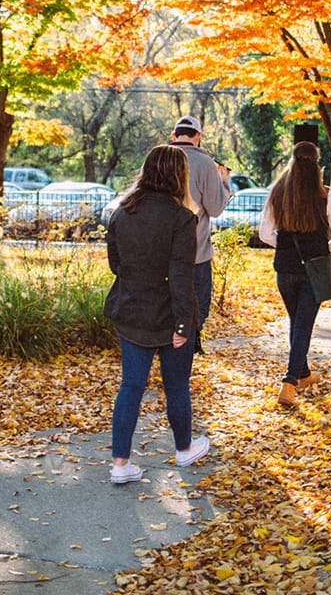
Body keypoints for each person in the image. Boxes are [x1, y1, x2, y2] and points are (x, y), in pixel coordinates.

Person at [104, 144, 210, 484]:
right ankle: (183, 449)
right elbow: (182, 275)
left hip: (130, 311)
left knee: (130, 386)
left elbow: (115, 265)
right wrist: (183, 324)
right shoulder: (182, 218)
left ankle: (120, 464)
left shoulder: (121, 212)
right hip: (168, 316)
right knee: (176, 385)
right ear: (178, 175)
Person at [258, 141, 331, 407]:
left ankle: (304, 373)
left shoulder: (278, 192)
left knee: (298, 322)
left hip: (284, 270)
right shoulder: (326, 194)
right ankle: (289, 383)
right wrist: (325, 249)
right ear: (317, 164)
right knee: (303, 324)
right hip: (313, 269)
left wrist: (284, 246)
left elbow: (264, 234)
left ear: (292, 162)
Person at [169, 115, 232, 353]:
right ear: (198, 137)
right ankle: (191, 342)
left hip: (161, 249)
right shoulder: (205, 163)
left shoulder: (157, 159)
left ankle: (170, 345)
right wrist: (225, 183)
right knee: (198, 304)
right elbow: (215, 208)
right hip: (196, 251)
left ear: (174, 136)